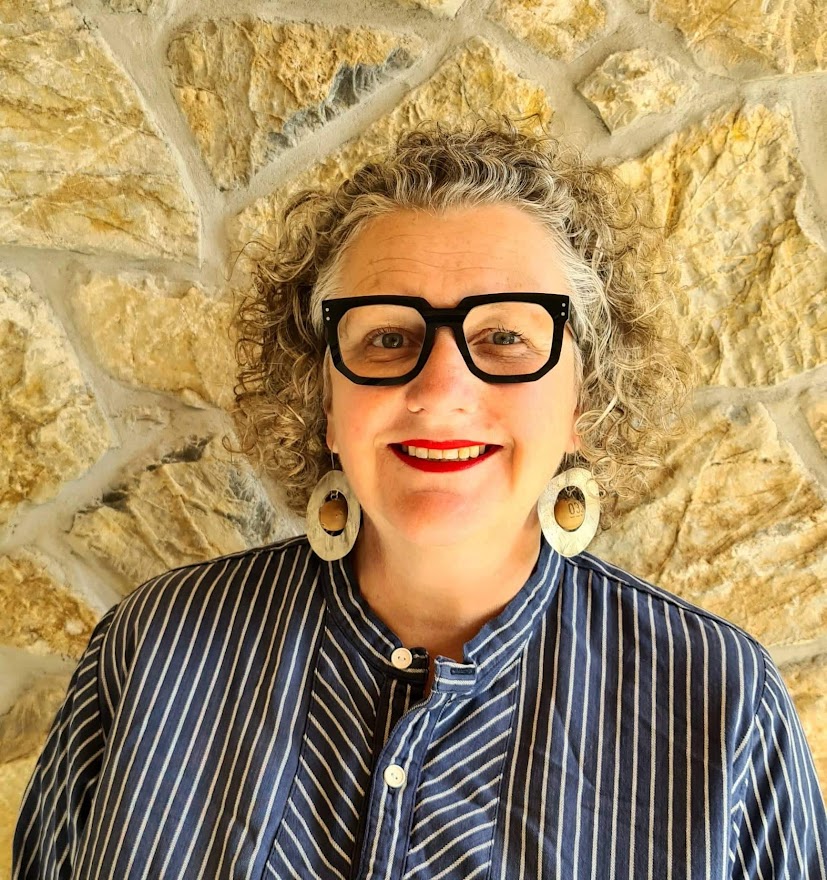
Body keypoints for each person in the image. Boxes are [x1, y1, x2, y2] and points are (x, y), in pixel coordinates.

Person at [13, 117, 827, 879]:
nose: (441, 390)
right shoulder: (153, 650)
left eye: (505, 337)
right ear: (322, 395)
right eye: (388, 337)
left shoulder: (721, 704)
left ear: (586, 396)